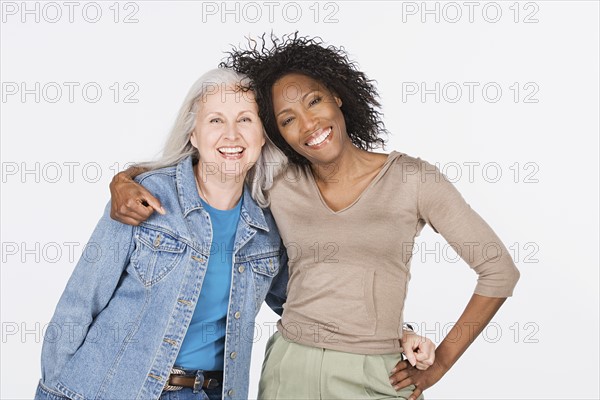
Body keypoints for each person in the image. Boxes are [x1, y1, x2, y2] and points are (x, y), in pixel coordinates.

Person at [109, 34, 516, 400]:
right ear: (278, 133)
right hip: (289, 370)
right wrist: (126, 178)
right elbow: (204, 163)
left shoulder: (412, 179)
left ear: (337, 96)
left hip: (377, 374)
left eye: (314, 101)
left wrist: (441, 363)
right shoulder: (278, 182)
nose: (308, 125)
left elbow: (499, 271)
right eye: (287, 120)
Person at [36, 66, 434, 400]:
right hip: (109, 388)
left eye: (245, 120)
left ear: (263, 137)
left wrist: (397, 333)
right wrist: (55, 389)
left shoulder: (268, 226)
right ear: (193, 134)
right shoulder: (144, 197)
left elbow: (306, 300)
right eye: (216, 121)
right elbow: (78, 303)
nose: (231, 135)